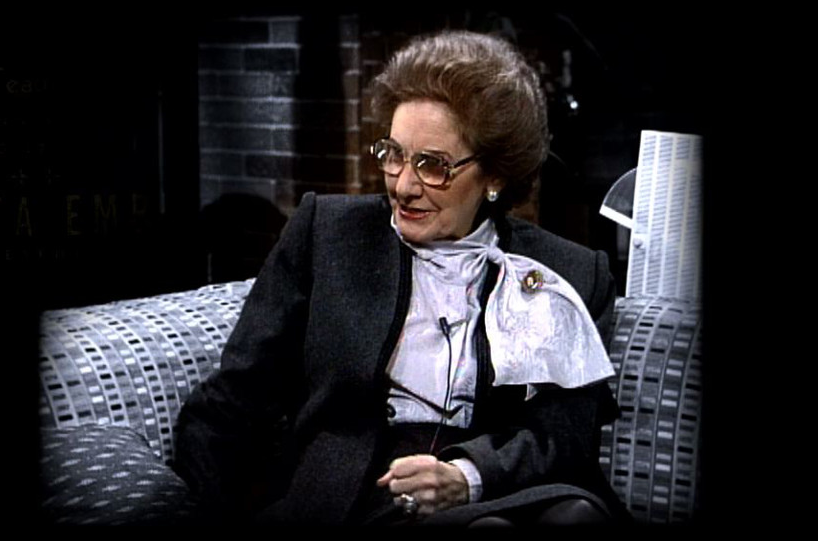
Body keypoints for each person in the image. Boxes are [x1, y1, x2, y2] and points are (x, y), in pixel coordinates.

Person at [173, 30, 629, 526]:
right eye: (394, 154)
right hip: (360, 491)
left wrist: (468, 476)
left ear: (495, 175)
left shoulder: (570, 273)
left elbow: (566, 432)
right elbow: (234, 398)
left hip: (498, 484)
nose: (404, 186)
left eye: (433, 165)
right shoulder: (328, 234)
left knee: (575, 515)